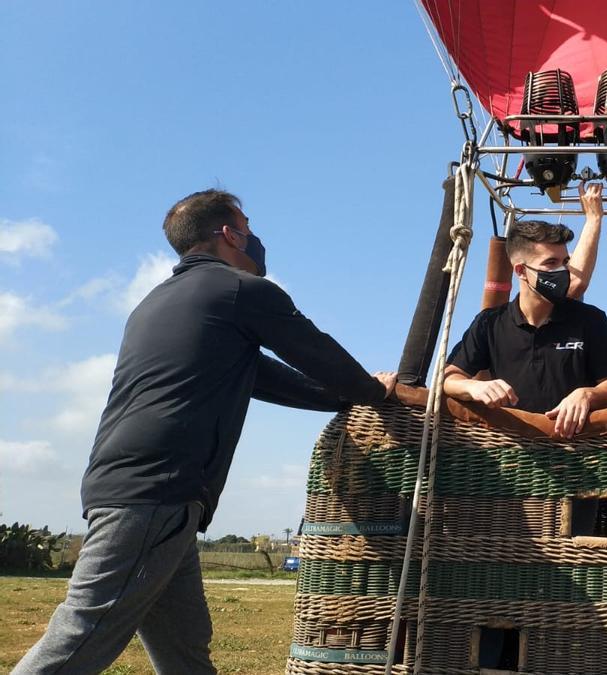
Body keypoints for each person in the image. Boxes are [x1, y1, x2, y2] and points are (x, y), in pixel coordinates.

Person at [14, 189, 394, 674]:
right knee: (81, 635)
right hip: (157, 490)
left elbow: (261, 375)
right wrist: (374, 392)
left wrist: (341, 399)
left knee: (184, 650)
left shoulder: (160, 302)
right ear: (230, 234)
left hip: (135, 487)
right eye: (248, 227)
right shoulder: (240, 291)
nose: (256, 238)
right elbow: (318, 354)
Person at [442, 185, 607, 438]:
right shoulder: (491, 323)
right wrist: (473, 387)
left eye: (565, 262)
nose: (561, 271)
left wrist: (587, 394)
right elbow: (449, 379)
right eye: (550, 263)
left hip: (578, 447)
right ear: (520, 271)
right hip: (511, 450)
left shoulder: (589, 319)